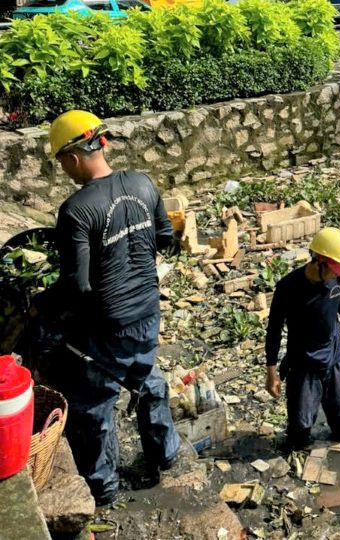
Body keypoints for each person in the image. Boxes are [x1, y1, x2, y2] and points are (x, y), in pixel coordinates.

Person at [44, 110, 181, 506]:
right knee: (144, 374)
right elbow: (164, 237)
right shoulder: (142, 182)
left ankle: (103, 487)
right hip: (148, 310)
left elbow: (78, 284)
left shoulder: (76, 210)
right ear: (101, 143)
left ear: (72, 157)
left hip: (111, 322)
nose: (64, 171)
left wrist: (42, 312)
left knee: (93, 400)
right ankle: (166, 451)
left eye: (61, 163)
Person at [265, 227, 340, 450]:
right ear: (319, 261)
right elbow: (274, 330)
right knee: (299, 433)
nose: (338, 274)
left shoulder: (339, 280)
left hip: (333, 357)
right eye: (334, 269)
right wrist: (271, 371)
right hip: (303, 364)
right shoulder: (288, 288)